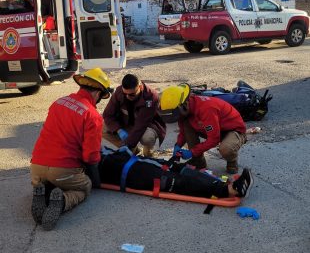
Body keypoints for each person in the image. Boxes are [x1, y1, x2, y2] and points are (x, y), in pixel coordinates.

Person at [30, 68, 113, 231]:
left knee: (50, 181)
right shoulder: (93, 116)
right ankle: (62, 201)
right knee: (84, 187)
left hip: (36, 167)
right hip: (63, 171)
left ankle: (42, 190)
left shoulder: (58, 102)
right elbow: (90, 156)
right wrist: (94, 180)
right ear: (97, 93)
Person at [158, 84, 247, 174]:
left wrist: (192, 152)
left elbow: (213, 139)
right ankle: (198, 162)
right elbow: (183, 132)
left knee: (226, 149)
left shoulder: (206, 109)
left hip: (233, 131)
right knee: (186, 126)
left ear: (185, 104)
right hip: (214, 129)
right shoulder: (184, 110)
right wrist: (178, 145)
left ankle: (232, 161)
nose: (178, 118)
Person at [99, 148, 253, 200]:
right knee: (174, 181)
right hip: (126, 171)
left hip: (129, 162)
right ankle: (229, 190)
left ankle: (221, 184)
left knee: (176, 167)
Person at [102, 74, 166, 157]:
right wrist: (118, 130)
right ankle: (134, 150)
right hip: (127, 122)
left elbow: (141, 125)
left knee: (147, 138)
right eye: (125, 94)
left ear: (140, 87)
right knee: (102, 128)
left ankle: (148, 153)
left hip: (146, 125)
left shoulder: (151, 97)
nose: (128, 97)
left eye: (132, 94)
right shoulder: (119, 92)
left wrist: (129, 145)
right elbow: (107, 115)